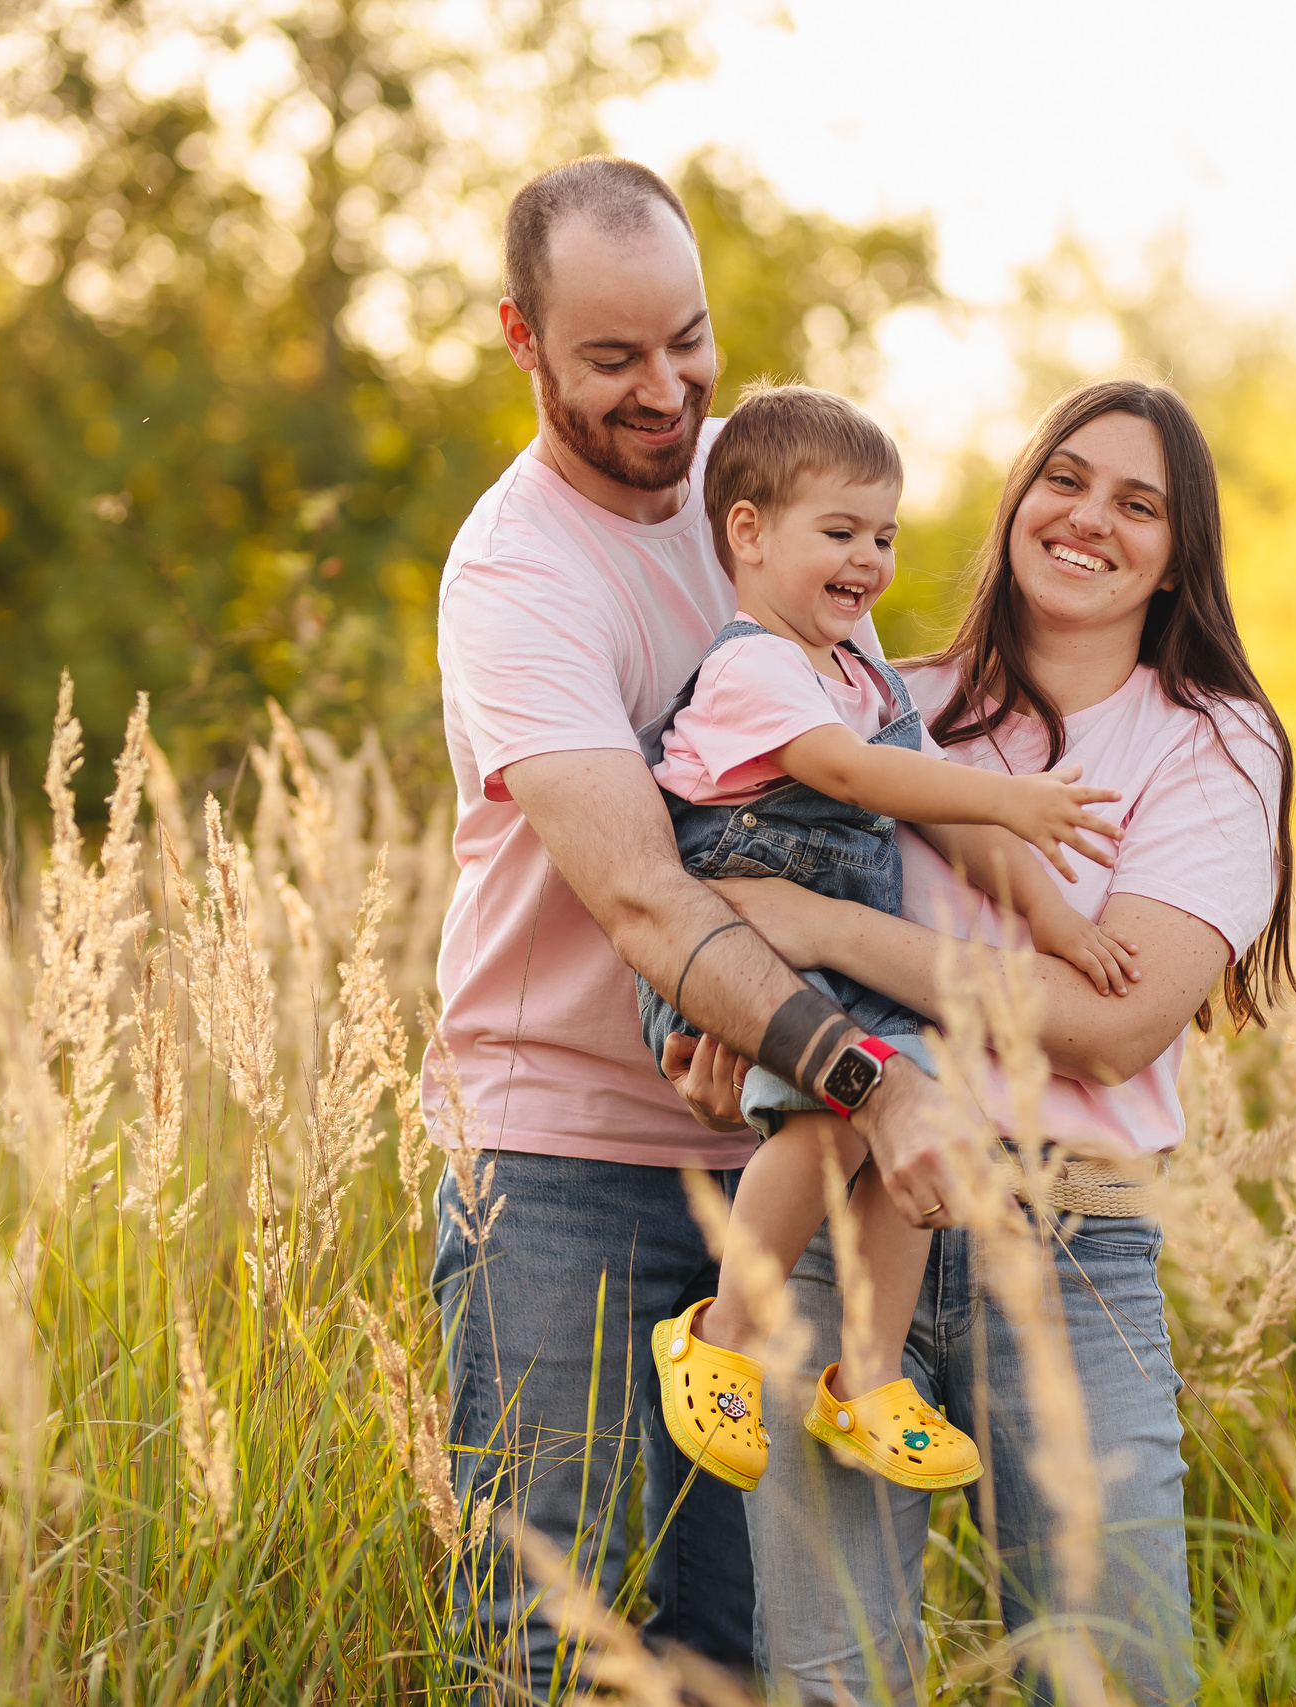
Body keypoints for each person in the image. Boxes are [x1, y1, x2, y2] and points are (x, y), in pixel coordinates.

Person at [424, 156, 971, 1698]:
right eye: (613, 358)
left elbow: (876, 741)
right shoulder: (516, 574)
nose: (668, 390)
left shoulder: (766, 479)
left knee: (735, 1646)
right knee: (559, 1632)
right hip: (556, 1167)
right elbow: (649, 898)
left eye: (689, 338)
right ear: (522, 337)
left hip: (766, 1158)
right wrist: (874, 1073)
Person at [709, 378, 1296, 1705]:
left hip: (1065, 1241)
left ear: (1177, 551)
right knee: (833, 1683)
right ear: (1018, 499)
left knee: (1114, 1675)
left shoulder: (1208, 741)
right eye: (1066, 478)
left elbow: (1108, 1024)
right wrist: (727, 1000)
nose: (1091, 517)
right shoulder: (870, 701)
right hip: (839, 1223)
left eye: (1139, 504)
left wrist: (831, 932)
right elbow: (724, 896)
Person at [632, 382, 1138, 1501]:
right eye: (840, 531)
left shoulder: (859, 672)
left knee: (925, 1126)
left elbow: (938, 817)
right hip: (751, 945)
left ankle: (865, 1378)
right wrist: (1012, 799)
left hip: (839, 952)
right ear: (749, 534)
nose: (868, 559)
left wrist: (1054, 919)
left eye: (885, 536)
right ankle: (720, 1333)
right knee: (829, 1115)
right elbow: (853, 778)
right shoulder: (755, 666)